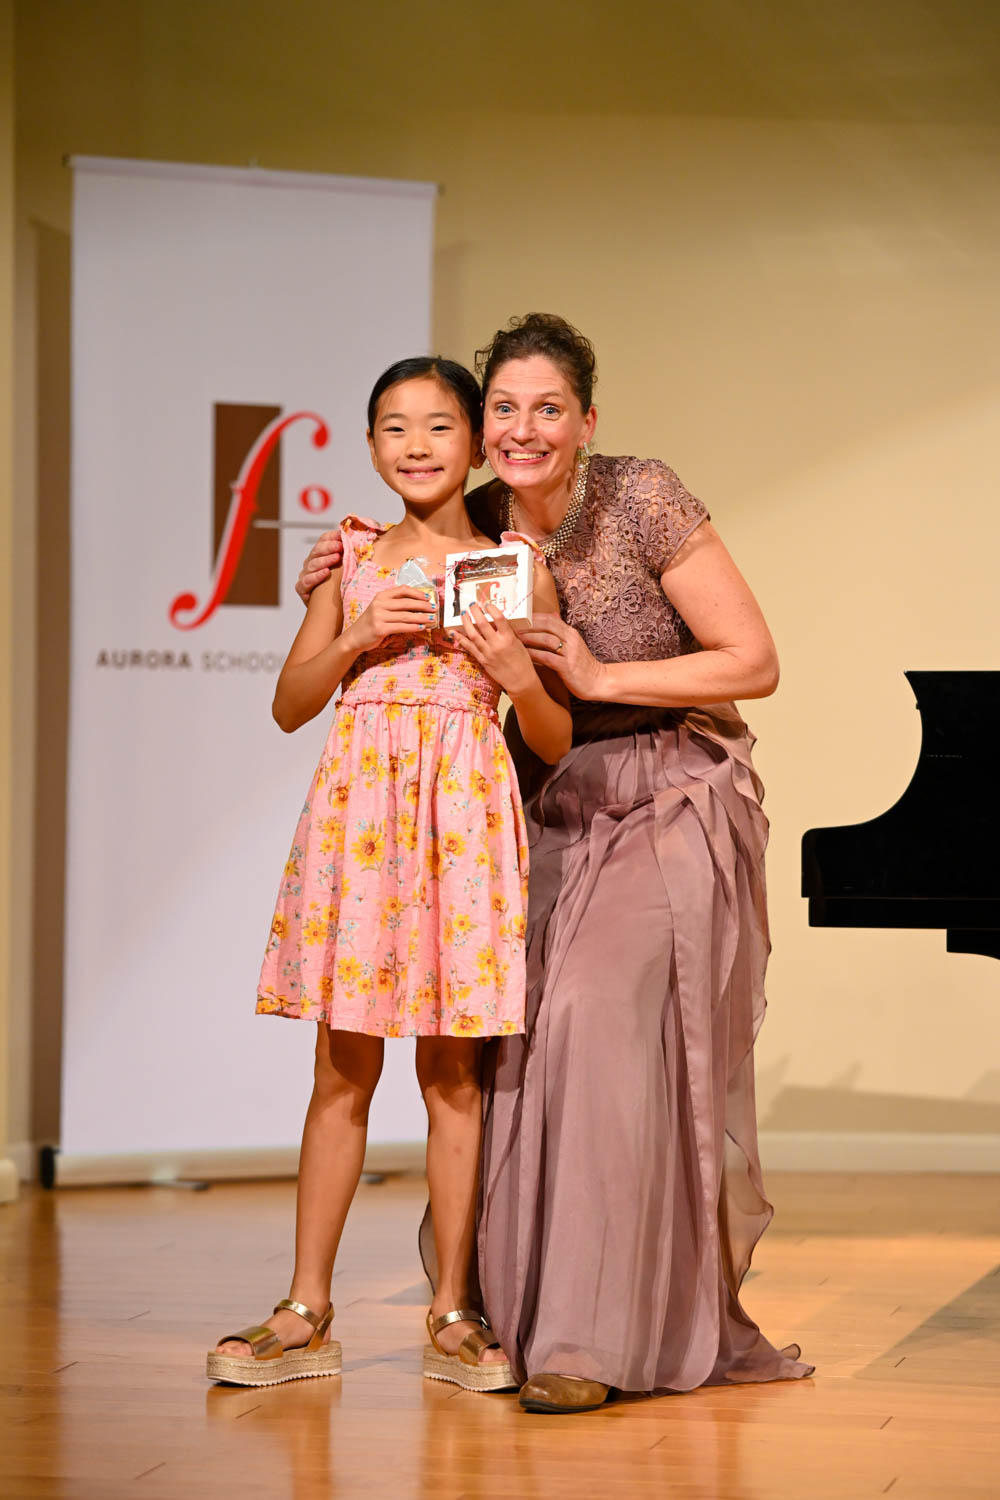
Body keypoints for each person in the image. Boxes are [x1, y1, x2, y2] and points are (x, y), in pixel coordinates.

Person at [297, 314, 813, 1413]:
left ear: (586, 420)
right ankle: (500, 1316)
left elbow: (754, 661)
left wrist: (595, 674)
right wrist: (327, 590)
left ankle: (590, 1338)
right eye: (503, 408)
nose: (522, 428)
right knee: (509, 1042)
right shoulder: (475, 519)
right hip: (535, 801)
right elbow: (366, 625)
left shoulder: (641, 495)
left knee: (586, 1014)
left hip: (667, 786)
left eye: (548, 408)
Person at [206, 355, 571, 1391]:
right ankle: (306, 1308)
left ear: (476, 442)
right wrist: (359, 633)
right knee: (341, 1069)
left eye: (439, 425)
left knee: (454, 1074)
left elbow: (553, 732)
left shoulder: (513, 566)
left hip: (461, 825)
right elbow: (290, 702)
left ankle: (452, 1310)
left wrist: (515, 675)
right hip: (361, 822)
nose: (417, 446)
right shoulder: (351, 557)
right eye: (395, 428)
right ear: (370, 447)